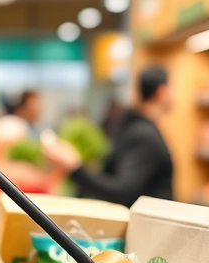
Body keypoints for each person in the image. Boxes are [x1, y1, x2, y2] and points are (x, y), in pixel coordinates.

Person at [43, 66, 175, 206]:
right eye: (174, 88)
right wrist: (76, 169)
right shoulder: (144, 135)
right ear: (162, 92)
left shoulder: (130, 126)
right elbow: (123, 190)